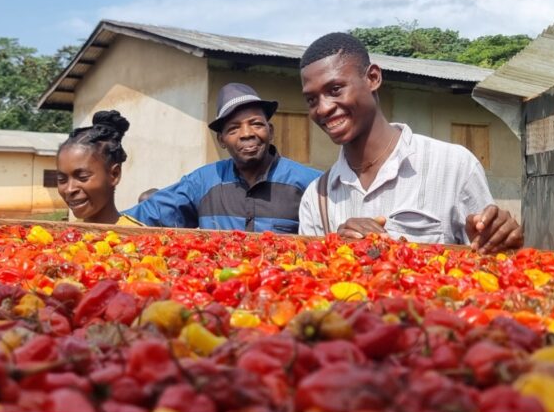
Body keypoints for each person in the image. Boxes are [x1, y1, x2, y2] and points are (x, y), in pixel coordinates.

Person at [297, 33, 523, 254]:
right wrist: (338, 250)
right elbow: (309, 280)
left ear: (373, 78)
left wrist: (498, 242)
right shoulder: (316, 198)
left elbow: (493, 263)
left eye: (335, 90)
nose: (323, 108)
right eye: (311, 100)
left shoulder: (454, 166)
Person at [123, 83, 321, 232]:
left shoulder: (311, 183)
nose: (246, 134)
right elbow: (144, 217)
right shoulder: (203, 182)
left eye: (256, 124)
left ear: (270, 131)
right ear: (222, 140)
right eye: (234, 128)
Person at [55, 110, 142, 226]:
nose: (69, 189)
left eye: (82, 177)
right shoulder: (67, 234)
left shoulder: (139, 239)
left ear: (114, 175)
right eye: (62, 180)